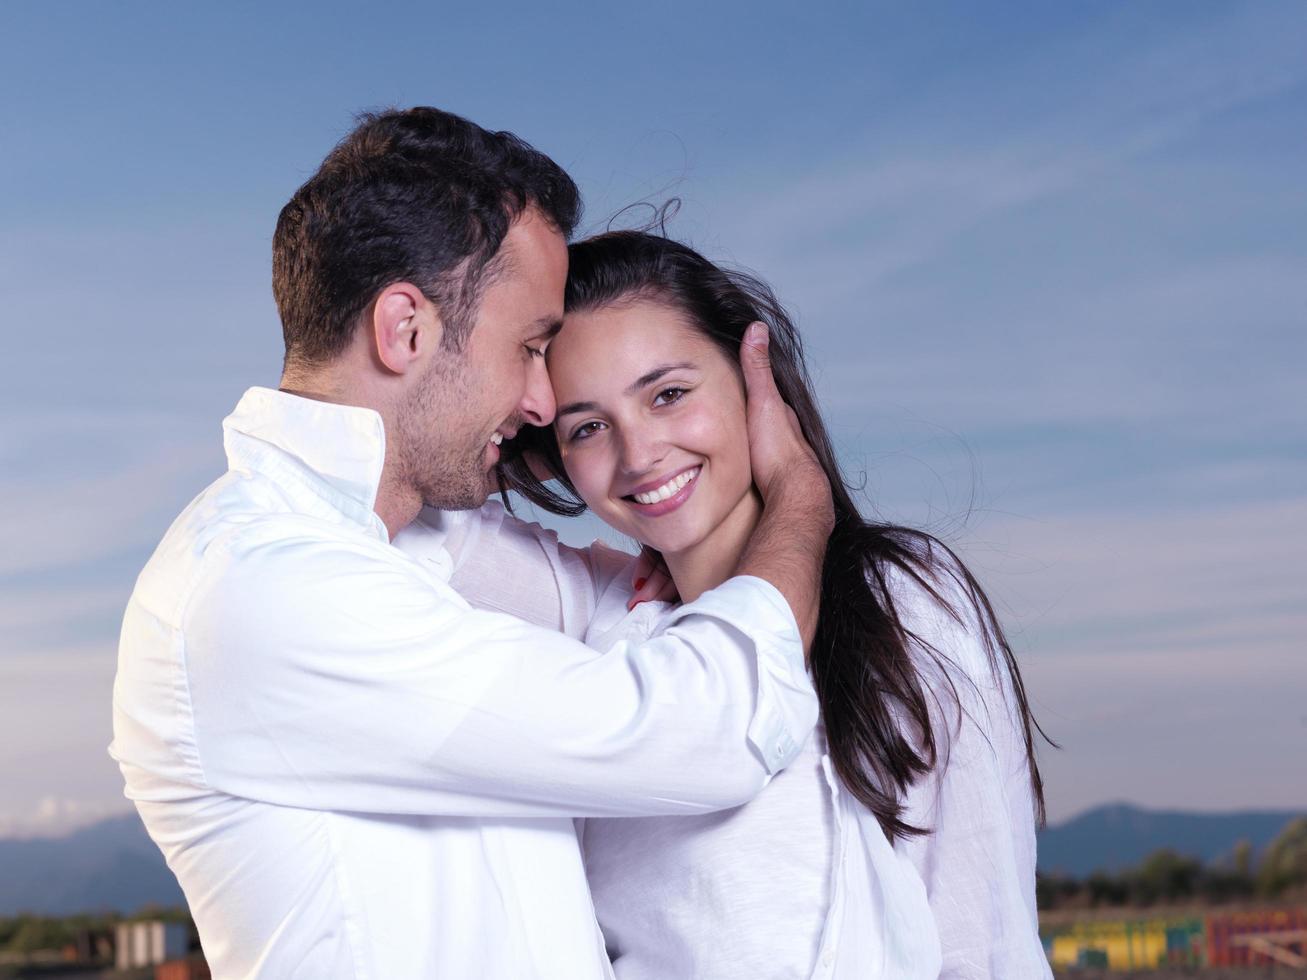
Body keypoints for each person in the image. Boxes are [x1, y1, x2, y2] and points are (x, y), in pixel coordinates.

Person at [110, 108, 836, 979]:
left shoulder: (409, 548)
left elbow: (634, 597)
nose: (540, 402)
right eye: (530, 347)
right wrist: (800, 501)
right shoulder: (261, 590)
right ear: (404, 330)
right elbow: (711, 727)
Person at [482, 229, 1053, 978]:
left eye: (668, 394)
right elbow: (403, 528)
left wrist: (799, 492)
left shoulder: (898, 598)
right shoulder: (603, 626)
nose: (639, 452)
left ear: (757, 388)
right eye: (586, 427)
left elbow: (980, 933)